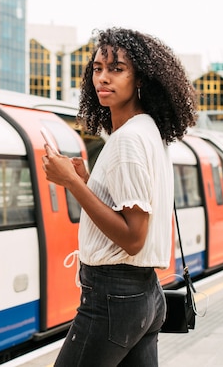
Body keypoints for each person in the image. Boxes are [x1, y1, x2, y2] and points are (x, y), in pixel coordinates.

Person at [42, 27, 198, 366]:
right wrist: (88, 181)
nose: (103, 78)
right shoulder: (146, 131)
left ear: (140, 78)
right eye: (98, 68)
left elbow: (133, 237)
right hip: (142, 295)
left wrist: (73, 184)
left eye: (117, 69)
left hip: (113, 297)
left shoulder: (128, 140)